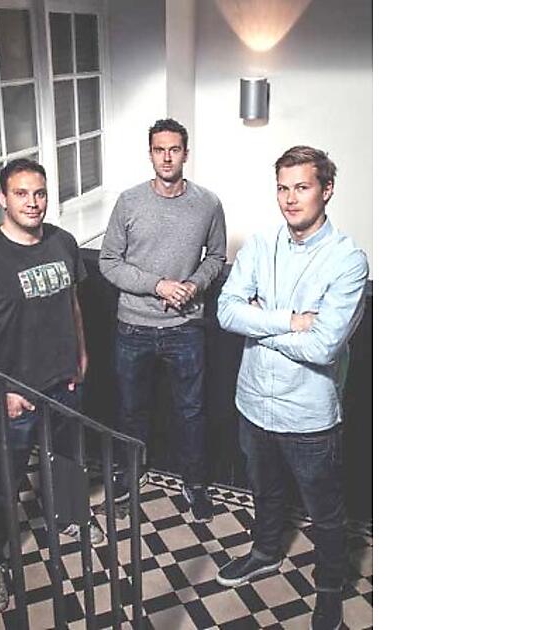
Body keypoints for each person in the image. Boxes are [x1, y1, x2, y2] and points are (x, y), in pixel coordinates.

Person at [215, 146, 368, 630]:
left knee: (325, 511)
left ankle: (329, 589)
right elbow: (225, 312)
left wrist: (258, 323)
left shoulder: (347, 261)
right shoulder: (260, 245)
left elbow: (323, 347)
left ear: (327, 190)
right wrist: (290, 321)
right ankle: (264, 553)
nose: (290, 198)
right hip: (253, 403)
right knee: (265, 491)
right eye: (283, 188)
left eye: (302, 187)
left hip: (308, 414)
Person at [0, 158, 103, 613]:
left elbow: (72, 304)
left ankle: (71, 517)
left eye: (39, 193)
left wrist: (81, 356)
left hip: (64, 382)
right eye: (21, 193)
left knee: (69, 458)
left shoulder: (63, 242)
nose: (33, 202)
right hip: (15, 395)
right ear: (3, 198)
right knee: (4, 480)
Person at [98, 118, 227, 522]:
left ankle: (195, 485)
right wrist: (158, 286)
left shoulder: (208, 203)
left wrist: (193, 285)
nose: (167, 157)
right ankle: (128, 476)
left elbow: (216, 256)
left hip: (185, 327)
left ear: (186, 153)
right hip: (133, 326)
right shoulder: (129, 202)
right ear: (150, 154)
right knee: (130, 410)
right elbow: (108, 261)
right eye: (159, 150)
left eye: (174, 149)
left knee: (191, 411)